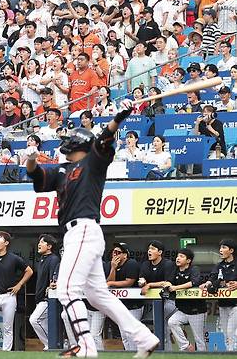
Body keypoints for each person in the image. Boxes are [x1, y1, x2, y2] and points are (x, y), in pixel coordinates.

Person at [25, 100, 160, 358]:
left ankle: (86, 347)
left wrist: (120, 115)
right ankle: (145, 338)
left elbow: (104, 138)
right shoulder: (63, 170)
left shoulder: (93, 162)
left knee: (65, 290)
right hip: (78, 234)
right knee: (97, 295)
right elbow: (35, 175)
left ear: (78, 142)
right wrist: (30, 158)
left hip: (83, 230)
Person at [165, 249, 206, 352]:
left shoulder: (194, 269)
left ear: (188, 260)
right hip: (183, 310)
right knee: (172, 322)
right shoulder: (175, 269)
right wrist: (169, 284)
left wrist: (176, 287)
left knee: (199, 339)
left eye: (182, 256)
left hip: (197, 310)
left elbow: (194, 282)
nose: (178, 258)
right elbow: (169, 282)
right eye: (177, 256)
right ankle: (186, 346)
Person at [199, 238, 237, 351]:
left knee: (231, 332)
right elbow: (212, 278)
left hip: (236, 305)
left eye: (224, 247)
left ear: (231, 250)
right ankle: (229, 354)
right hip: (223, 304)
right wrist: (206, 284)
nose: (221, 250)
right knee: (225, 332)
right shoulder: (219, 266)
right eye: (220, 247)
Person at [138, 240, 177, 350]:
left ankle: (166, 353)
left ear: (160, 252)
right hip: (153, 303)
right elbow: (141, 279)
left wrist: (149, 285)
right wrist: (142, 282)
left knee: (163, 331)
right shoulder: (146, 264)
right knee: (161, 331)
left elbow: (166, 283)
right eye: (149, 249)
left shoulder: (168, 263)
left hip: (170, 301)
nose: (149, 251)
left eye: (153, 249)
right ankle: (164, 353)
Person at [106, 242, 141, 351]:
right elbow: (109, 281)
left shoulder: (131, 263)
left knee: (131, 334)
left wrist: (112, 284)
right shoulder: (112, 265)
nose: (114, 254)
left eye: (118, 252)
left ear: (125, 255)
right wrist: (113, 268)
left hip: (134, 305)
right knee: (124, 336)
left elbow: (129, 282)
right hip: (121, 306)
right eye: (113, 252)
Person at [29, 234, 60, 351]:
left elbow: (54, 279)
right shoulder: (42, 259)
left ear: (49, 246)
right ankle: (53, 344)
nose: (39, 244)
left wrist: (50, 289)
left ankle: (51, 345)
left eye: (42, 242)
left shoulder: (53, 259)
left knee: (34, 319)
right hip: (40, 298)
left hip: (48, 299)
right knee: (45, 324)